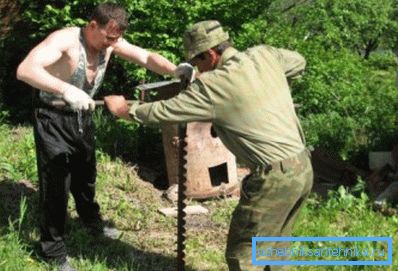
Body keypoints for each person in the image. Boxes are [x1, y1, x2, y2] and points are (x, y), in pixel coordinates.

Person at [105, 20, 314, 271]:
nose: (198, 70)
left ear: (211, 54)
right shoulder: (264, 55)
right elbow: (299, 62)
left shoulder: (215, 84)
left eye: (197, 62)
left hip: (275, 178)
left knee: (244, 254)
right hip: (303, 167)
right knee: (275, 247)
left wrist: (124, 109)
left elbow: (164, 111)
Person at [16, 3, 192, 271]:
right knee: (56, 183)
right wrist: (65, 89)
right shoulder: (65, 40)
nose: (114, 43)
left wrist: (173, 70)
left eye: (117, 37)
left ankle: (91, 221)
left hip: (82, 117)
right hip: (52, 116)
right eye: (110, 37)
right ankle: (52, 250)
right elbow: (26, 70)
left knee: (86, 174)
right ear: (93, 26)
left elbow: (145, 57)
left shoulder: (110, 43)